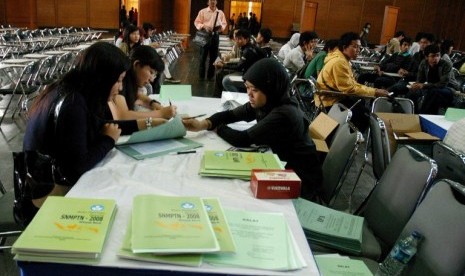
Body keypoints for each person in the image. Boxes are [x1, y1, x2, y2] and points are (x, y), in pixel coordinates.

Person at [23, 42, 167, 208]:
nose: (120, 88)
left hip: (47, 178)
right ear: (102, 79)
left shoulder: (74, 90)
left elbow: (102, 125)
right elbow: (78, 166)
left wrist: (150, 124)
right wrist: (108, 140)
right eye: (118, 81)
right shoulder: (73, 104)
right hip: (47, 194)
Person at [183, 58, 323, 200]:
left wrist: (217, 127)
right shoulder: (268, 102)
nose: (249, 94)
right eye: (247, 87)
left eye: (254, 89)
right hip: (282, 165)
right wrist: (202, 124)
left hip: (300, 180)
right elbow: (230, 114)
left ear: (270, 89)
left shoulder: (284, 113)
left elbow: (242, 139)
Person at [316, 32, 389, 131]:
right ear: (344, 47)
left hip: (333, 97)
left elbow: (351, 84)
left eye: (359, 47)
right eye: (355, 47)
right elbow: (349, 89)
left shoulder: (342, 60)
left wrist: (374, 90)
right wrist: (375, 92)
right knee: (365, 117)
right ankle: (347, 139)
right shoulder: (339, 62)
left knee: (362, 104)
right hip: (330, 102)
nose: (358, 50)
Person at [109, 45, 177, 120]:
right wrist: (161, 113)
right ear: (137, 65)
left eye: (154, 74)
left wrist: (154, 104)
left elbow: (138, 95)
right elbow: (123, 116)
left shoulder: (131, 79)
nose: (151, 80)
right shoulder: (121, 80)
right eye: (151, 72)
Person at [406, 44, 456, 114]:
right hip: (431, 88)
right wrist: (416, 85)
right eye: (433, 56)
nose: (436, 58)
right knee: (412, 93)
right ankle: (414, 114)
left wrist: (424, 86)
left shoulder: (446, 64)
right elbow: (420, 80)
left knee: (433, 92)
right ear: (426, 57)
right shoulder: (424, 63)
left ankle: (422, 115)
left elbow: (443, 84)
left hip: (448, 89)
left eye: (438, 55)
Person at [215, 28, 266, 95]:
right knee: (221, 73)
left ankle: (238, 98)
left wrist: (224, 65)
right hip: (247, 73)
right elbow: (240, 63)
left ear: (247, 39)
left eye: (240, 39)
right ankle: (219, 96)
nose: (237, 41)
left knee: (226, 81)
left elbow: (239, 67)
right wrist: (224, 64)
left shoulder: (248, 51)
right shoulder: (246, 47)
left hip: (251, 78)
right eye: (236, 39)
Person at [194, 0, 228, 80]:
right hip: (205, 36)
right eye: (211, 1)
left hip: (215, 36)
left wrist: (221, 29)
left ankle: (210, 76)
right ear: (208, 2)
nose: (213, 2)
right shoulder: (202, 11)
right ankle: (201, 76)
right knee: (203, 57)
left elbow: (224, 23)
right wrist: (204, 26)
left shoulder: (220, 12)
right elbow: (196, 22)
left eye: (214, 1)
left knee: (213, 57)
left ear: (216, 2)